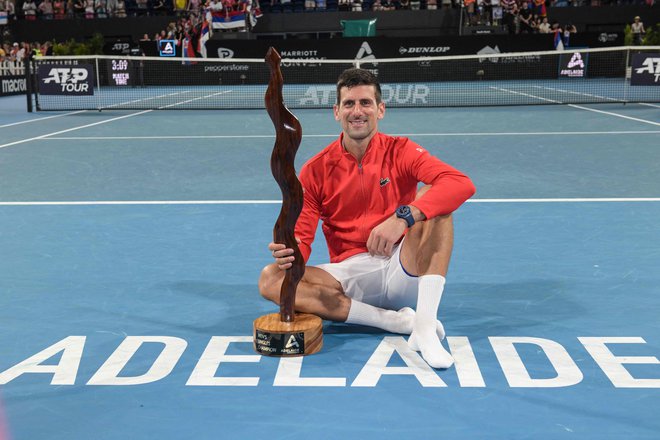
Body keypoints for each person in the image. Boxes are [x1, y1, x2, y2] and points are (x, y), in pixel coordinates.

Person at [258, 69, 476, 369]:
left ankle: (424, 328)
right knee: (271, 278)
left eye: (365, 103)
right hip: (350, 277)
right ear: (336, 112)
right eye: (348, 104)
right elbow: (302, 235)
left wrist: (403, 216)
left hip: (403, 266)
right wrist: (291, 251)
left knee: (435, 205)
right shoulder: (315, 170)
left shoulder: (402, 151)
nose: (357, 111)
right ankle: (394, 322)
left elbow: (461, 183)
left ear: (380, 109)